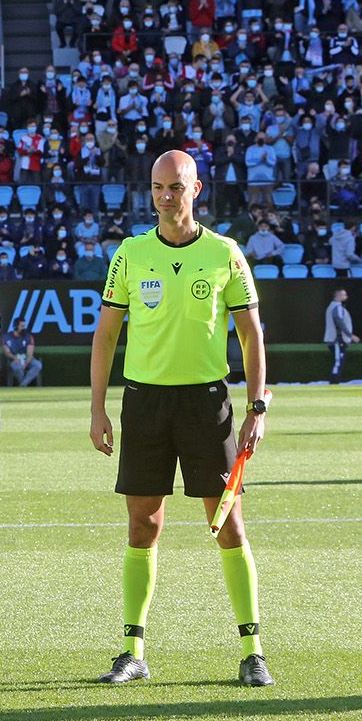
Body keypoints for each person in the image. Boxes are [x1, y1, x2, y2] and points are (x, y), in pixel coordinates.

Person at [90, 150, 273, 687]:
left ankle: (252, 649)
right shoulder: (130, 253)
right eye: (158, 187)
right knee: (143, 524)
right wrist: (98, 407)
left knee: (228, 524)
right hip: (144, 403)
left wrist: (256, 405)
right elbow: (105, 335)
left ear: (196, 190)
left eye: (176, 187)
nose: (167, 196)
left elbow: (251, 334)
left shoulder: (225, 253)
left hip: (206, 405)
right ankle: (132, 650)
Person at [325, 289, 358, 383]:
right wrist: (350, 336)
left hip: (335, 338)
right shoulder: (337, 307)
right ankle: (334, 381)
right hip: (337, 339)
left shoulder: (332, 307)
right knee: (338, 361)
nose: (346, 297)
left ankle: (335, 380)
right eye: (344, 295)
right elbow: (339, 322)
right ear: (338, 296)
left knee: (339, 360)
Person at [3, 318, 43, 386]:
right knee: (17, 368)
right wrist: (15, 358)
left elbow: (30, 353)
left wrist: (26, 363)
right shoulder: (6, 337)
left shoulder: (29, 337)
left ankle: (23, 384)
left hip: (27, 359)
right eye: (22, 326)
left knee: (38, 365)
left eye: (24, 326)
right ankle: (24, 385)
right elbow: (7, 352)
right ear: (16, 326)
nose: (24, 328)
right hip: (14, 360)